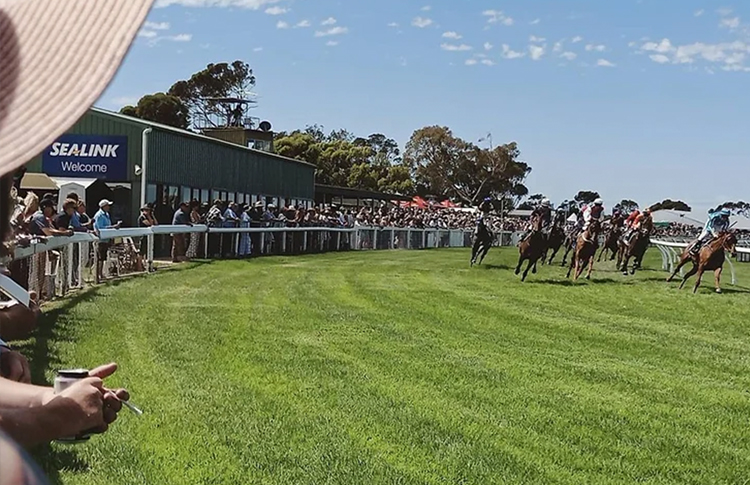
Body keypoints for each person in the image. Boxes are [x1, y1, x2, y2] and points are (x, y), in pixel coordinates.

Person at [93, 199, 121, 280]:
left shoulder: (107, 214)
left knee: (103, 258)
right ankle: (98, 275)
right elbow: (100, 227)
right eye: (107, 205)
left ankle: (101, 274)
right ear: (103, 206)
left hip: (106, 239)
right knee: (100, 258)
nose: (109, 207)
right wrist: (113, 226)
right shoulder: (99, 215)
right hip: (100, 240)